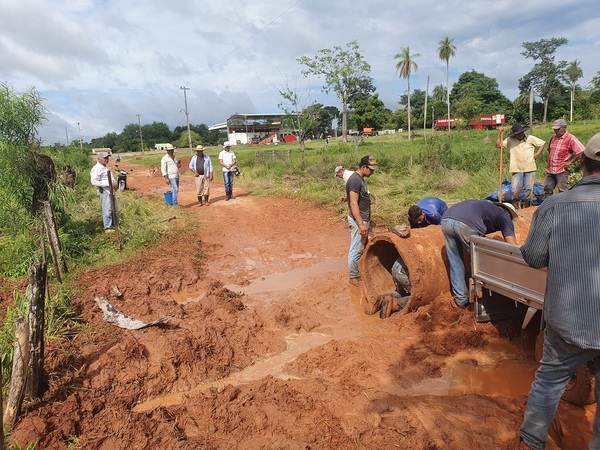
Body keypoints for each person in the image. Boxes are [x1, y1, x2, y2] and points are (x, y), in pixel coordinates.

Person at [518, 132, 600, 450]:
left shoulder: (554, 206)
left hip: (569, 322)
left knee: (550, 380)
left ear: (580, 161)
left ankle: (531, 442)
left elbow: (535, 257)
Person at [440, 200, 518, 308]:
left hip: (446, 219)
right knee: (482, 263)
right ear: (508, 213)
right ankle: (487, 302)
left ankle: (461, 301)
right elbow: (513, 248)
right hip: (466, 224)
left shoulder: (488, 209)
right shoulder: (505, 217)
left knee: (455, 261)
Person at [496, 123, 545, 208]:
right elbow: (498, 145)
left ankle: (527, 205)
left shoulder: (530, 138)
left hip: (530, 167)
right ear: (515, 134)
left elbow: (542, 143)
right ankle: (516, 205)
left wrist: (538, 153)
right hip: (516, 168)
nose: (520, 134)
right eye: (518, 134)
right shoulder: (510, 140)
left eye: (521, 133)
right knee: (515, 189)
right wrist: (499, 133)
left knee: (528, 188)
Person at [346, 155, 378, 286]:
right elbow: (354, 203)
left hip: (364, 218)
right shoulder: (355, 180)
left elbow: (354, 197)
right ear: (363, 167)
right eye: (371, 169)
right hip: (359, 220)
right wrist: (360, 224)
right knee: (357, 248)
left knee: (364, 245)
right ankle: (353, 276)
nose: (372, 172)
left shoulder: (359, 179)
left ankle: (362, 268)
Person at [543, 118, 585, 198]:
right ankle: (548, 206)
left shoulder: (571, 138)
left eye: (558, 129)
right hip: (551, 169)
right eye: (554, 129)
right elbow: (550, 151)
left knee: (562, 190)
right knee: (547, 189)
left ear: (564, 127)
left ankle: (563, 208)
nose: (556, 131)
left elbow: (582, 151)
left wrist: (570, 162)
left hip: (561, 170)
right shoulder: (553, 138)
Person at [90, 152, 118, 232]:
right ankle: (107, 228)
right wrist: (108, 184)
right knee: (107, 209)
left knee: (114, 209)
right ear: (99, 159)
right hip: (104, 192)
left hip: (110, 191)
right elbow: (94, 181)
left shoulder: (105, 167)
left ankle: (115, 225)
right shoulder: (96, 168)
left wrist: (114, 185)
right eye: (104, 158)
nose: (106, 160)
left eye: (107, 158)